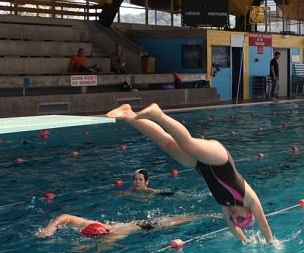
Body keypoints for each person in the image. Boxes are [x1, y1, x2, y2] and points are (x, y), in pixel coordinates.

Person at [107, 103, 274, 244]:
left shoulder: (225, 205)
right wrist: (271, 243)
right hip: (219, 159)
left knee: (164, 142)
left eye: (236, 220)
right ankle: (158, 114)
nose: (235, 218)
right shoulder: (249, 198)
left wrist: (244, 241)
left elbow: (232, 227)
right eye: (241, 219)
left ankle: (128, 114)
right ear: (248, 212)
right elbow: (264, 225)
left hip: (200, 166)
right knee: (187, 143)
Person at [36, 212, 211, 240]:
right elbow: (65, 217)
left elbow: (102, 250)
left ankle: (205, 215)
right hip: (136, 224)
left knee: (176, 221)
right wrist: (51, 228)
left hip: (143, 226)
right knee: (173, 219)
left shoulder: (112, 236)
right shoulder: (93, 225)